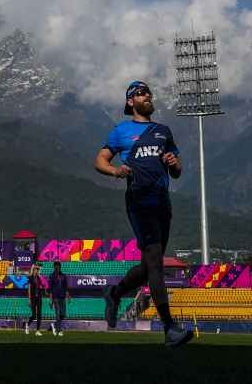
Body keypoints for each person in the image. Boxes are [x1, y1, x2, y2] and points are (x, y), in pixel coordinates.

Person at [95, 80, 193, 348]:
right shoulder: (121, 131)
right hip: (139, 202)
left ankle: (114, 293)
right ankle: (170, 329)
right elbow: (100, 160)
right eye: (140, 93)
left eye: (148, 92)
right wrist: (116, 171)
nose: (147, 95)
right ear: (130, 102)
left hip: (162, 201)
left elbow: (177, 170)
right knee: (155, 262)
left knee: (153, 262)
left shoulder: (163, 131)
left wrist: (174, 163)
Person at [49, 261, 70, 336]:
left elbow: (66, 287)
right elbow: (50, 289)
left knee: (63, 315)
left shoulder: (63, 276)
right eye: (56, 266)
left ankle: (54, 325)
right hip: (55, 298)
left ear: (60, 267)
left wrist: (68, 296)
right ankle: (59, 330)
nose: (57, 267)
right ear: (54, 267)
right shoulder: (51, 276)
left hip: (62, 297)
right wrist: (50, 300)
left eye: (58, 266)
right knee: (57, 314)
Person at [25, 264, 45, 336]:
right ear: (33, 270)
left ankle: (38, 331)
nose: (37, 270)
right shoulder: (30, 278)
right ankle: (27, 325)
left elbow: (41, 286)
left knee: (39, 314)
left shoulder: (39, 278)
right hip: (33, 298)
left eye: (38, 269)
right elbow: (29, 289)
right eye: (36, 269)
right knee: (34, 315)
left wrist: (43, 288)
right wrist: (29, 299)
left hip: (39, 297)